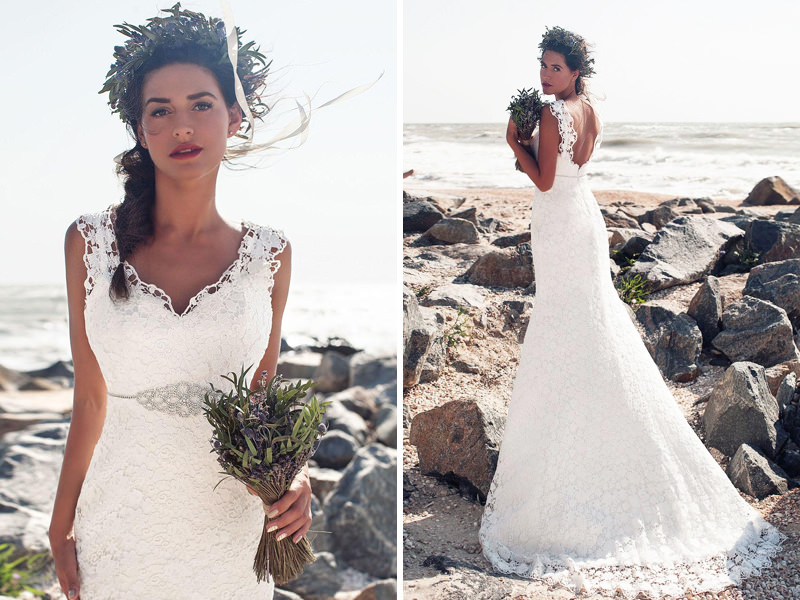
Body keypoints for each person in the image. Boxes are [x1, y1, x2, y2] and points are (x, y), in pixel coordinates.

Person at [479, 26, 784, 597]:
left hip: (558, 221)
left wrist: (512, 143)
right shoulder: (590, 109)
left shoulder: (551, 115)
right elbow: (579, 165)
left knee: (568, 323)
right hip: (584, 220)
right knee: (591, 322)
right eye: (542, 66)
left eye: (555, 68)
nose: (545, 76)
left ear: (574, 70)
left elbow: (544, 181)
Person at [47, 5, 313, 598]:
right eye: (159, 112)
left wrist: (296, 482)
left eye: (201, 105)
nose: (182, 127)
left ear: (234, 117)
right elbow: (89, 399)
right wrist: (60, 524)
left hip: (230, 530)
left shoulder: (270, 252)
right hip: (121, 520)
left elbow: (261, 401)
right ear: (141, 131)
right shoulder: (90, 243)